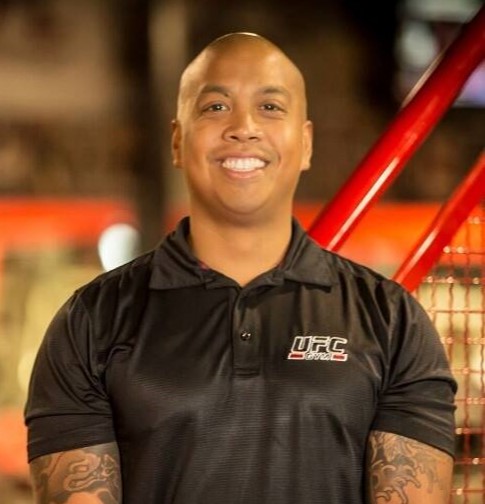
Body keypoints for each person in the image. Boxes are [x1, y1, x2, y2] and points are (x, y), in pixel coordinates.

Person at [24, 32, 456, 504]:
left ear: (305, 143)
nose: (244, 127)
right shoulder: (91, 322)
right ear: (177, 140)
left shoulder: (392, 321)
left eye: (270, 107)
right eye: (215, 107)